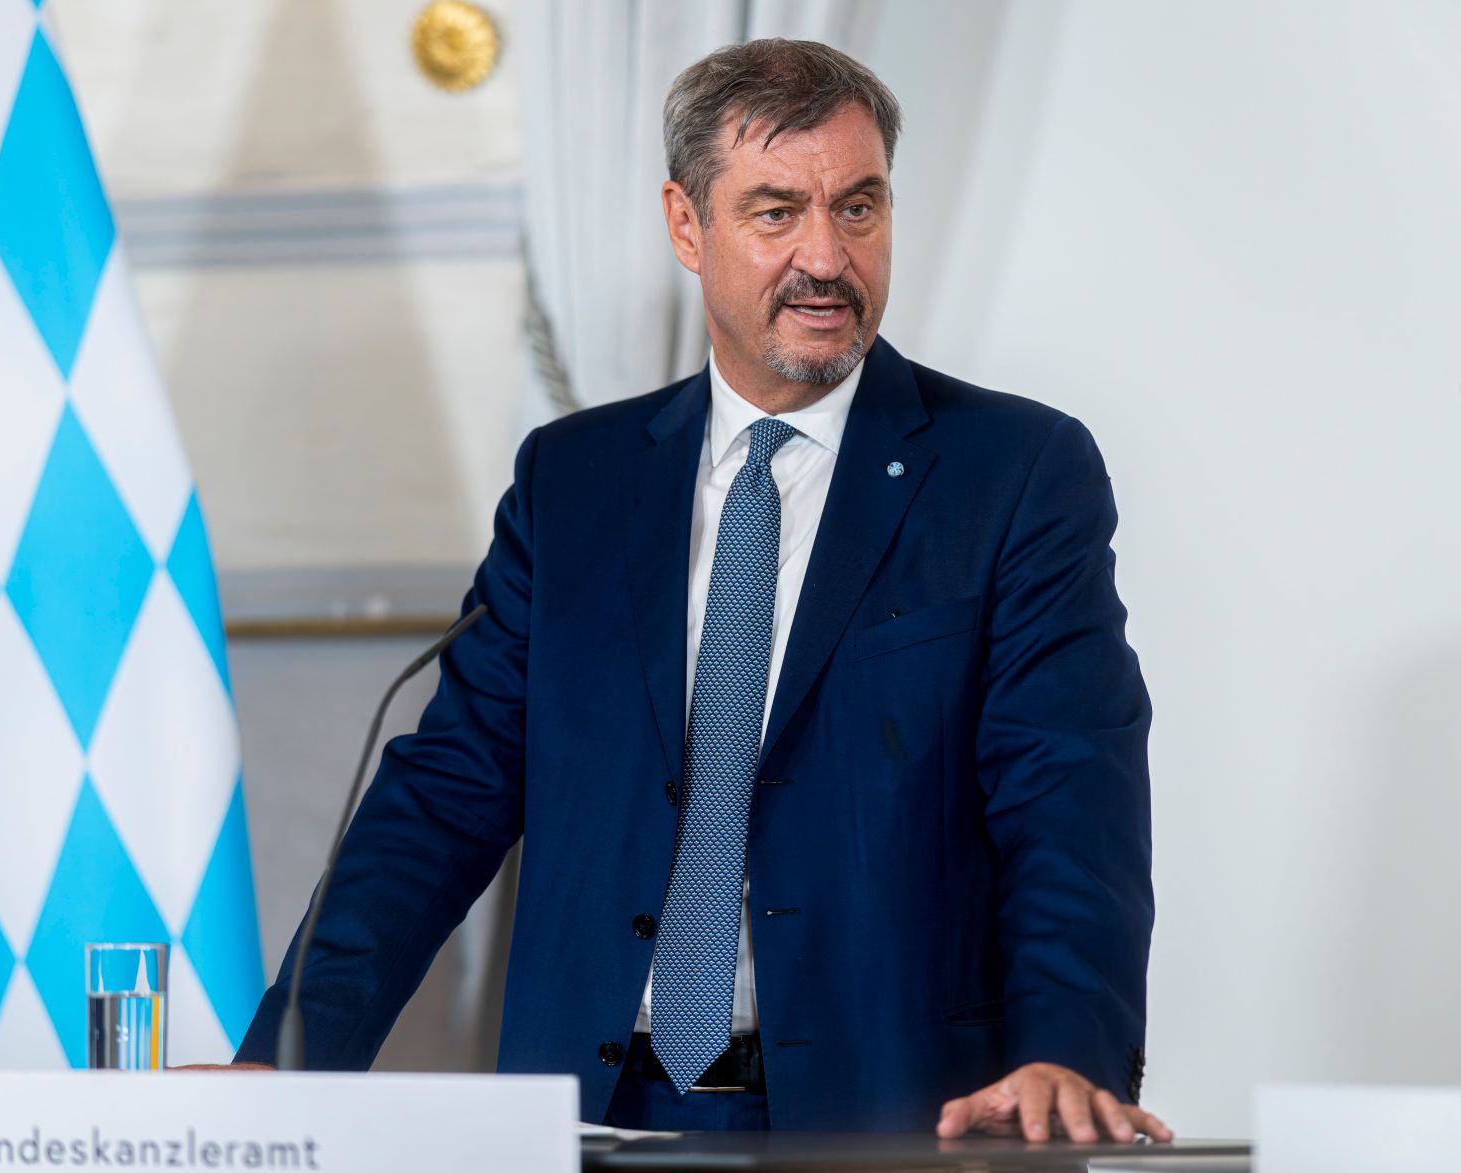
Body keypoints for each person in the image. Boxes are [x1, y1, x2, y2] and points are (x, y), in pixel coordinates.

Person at [233, 38, 1169, 1141]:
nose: (826, 257)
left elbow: (1068, 794)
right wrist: (284, 1064)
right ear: (687, 225)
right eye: (776, 213)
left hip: (891, 1124)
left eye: (858, 208)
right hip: (593, 1113)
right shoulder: (573, 481)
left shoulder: (1012, 473)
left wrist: (1066, 1051)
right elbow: (440, 800)